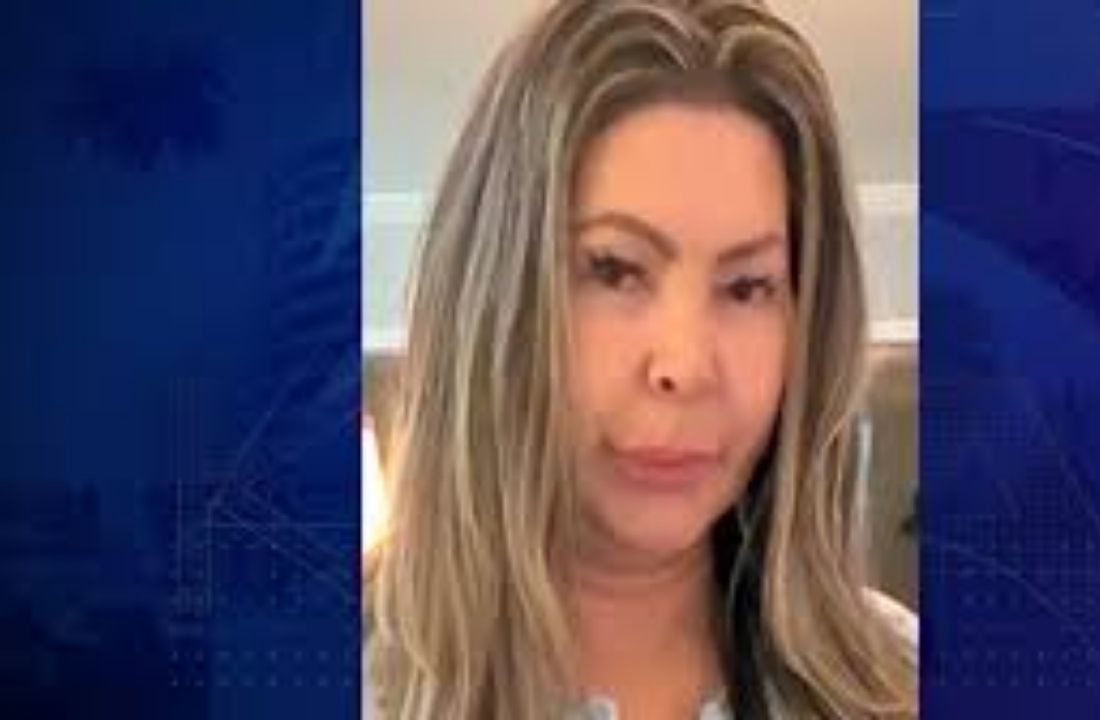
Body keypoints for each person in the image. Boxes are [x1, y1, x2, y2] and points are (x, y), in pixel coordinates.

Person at [364, 1, 917, 717]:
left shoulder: (900, 677)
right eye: (615, 270)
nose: (685, 366)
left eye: (746, 287)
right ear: (495, 296)